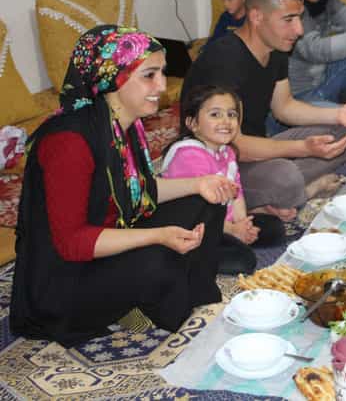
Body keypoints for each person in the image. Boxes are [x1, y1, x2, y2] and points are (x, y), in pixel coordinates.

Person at [10, 25, 237, 347]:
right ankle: (160, 309)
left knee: (208, 198)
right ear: (111, 78)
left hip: (109, 241)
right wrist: (157, 235)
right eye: (149, 75)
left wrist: (201, 183)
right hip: (65, 282)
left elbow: (139, 190)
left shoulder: (122, 124)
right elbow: (72, 243)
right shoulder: (68, 141)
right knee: (156, 259)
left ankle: (191, 295)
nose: (162, 85)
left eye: (162, 73)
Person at [182, 0, 346, 232]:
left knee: (345, 134)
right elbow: (235, 143)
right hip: (216, 165)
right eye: (288, 19)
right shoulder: (224, 60)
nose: (298, 30)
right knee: (283, 178)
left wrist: (340, 115)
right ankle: (297, 190)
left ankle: (281, 193)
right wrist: (302, 148)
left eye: (299, 18)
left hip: (255, 149)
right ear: (256, 16)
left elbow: (284, 107)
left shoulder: (275, 49)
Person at [161, 85, 287, 275]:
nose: (226, 121)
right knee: (243, 260)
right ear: (192, 123)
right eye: (215, 115)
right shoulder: (189, 155)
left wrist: (243, 224)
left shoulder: (226, 151)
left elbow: (237, 193)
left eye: (232, 114)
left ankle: (236, 238)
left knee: (274, 228)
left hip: (220, 222)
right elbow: (199, 212)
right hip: (193, 227)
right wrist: (232, 230)